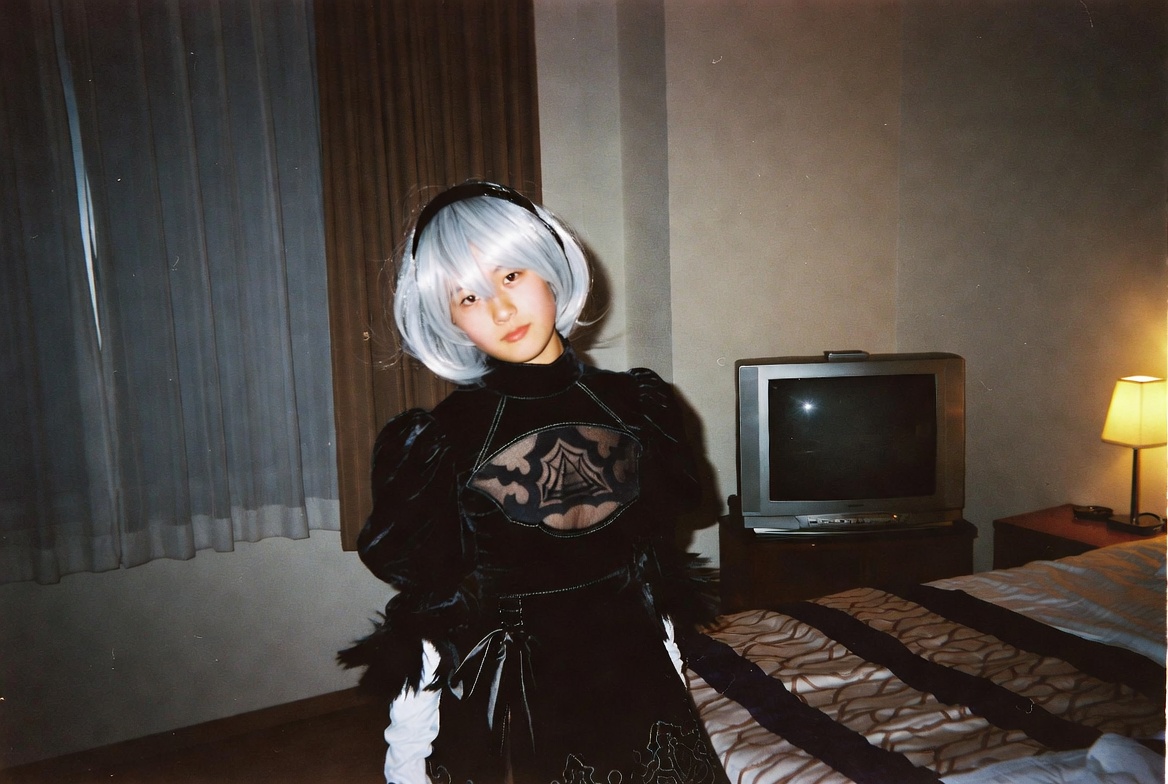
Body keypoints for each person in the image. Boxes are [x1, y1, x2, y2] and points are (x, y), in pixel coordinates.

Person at [339, 181, 722, 784]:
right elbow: (429, 623)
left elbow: (653, 575)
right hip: (516, 707)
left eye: (511, 276)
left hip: (636, 681)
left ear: (549, 270)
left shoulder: (639, 405)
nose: (500, 310)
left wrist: (672, 667)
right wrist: (406, 762)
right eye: (469, 296)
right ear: (449, 318)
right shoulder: (439, 443)